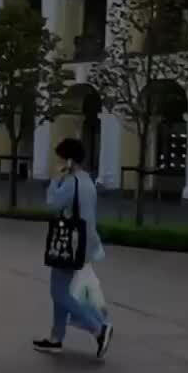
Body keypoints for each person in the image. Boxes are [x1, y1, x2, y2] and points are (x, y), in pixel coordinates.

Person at [33, 137, 113, 359]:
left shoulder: (71, 182)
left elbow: (52, 204)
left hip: (69, 244)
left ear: (68, 159)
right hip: (84, 242)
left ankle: (98, 328)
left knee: (58, 292)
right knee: (61, 290)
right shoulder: (88, 180)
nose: (57, 162)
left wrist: (54, 180)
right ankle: (56, 338)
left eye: (59, 158)